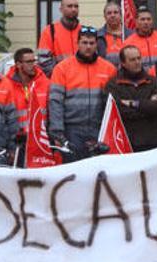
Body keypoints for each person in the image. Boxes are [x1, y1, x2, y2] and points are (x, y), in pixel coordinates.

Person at [49, 26, 117, 162]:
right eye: (84, 43)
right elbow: (55, 102)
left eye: (92, 43)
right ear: (77, 43)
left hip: (99, 129)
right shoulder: (62, 68)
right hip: (72, 130)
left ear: (96, 44)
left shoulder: (109, 68)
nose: (88, 47)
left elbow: (113, 104)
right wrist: (57, 132)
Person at [106, 46, 157, 152]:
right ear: (123, 63)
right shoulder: (113, 85)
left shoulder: (153, 82)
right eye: (132, 60)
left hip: (151, 141)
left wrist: (133, 104)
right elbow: (119, 112)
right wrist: (147, 107)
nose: (137, 62)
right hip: (126, 142)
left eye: (139, 58)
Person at [5, 48, 49, 163]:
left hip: (40, 141)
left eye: (34, 61)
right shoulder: (6, 85)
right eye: (29, 62)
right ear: (18, 64)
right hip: (17, 143)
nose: (33, 65)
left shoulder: (44, 83)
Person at [37, 0, 81, 76]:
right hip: (59, 81)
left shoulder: (83, 31)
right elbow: (44, 60)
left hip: (81, 80)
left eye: (76, 6)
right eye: (70, 6)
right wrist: (61, 75)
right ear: (61, 9)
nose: (74, 9)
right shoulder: (50, 31)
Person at [123, 7, 157, 71]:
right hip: (140, 78)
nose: (146, 22)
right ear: (136, 22)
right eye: (142, 19)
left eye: (148, 19)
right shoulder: (128, 42)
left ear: (152, 21)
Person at [97, 2, 133, 67]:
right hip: (105, 73)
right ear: (104, 16)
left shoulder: (132, 35)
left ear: (121, 15)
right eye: (109, 13)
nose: (112, 15)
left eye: (115, 12)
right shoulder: (98, 36)